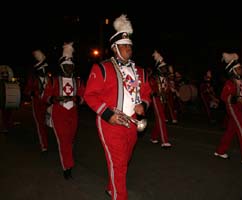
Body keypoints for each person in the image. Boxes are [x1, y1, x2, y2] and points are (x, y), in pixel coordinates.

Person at [84, 14, 152, 200]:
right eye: (124, 45)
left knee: (124, 160)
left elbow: (147, 93)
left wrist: (142, 105)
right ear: (115, 48)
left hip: (132, 123)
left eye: (130, 45)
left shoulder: (140, 71)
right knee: (119, 163)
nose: (129, 48)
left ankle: (111, 187)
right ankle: (119, 196)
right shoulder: (102, 68)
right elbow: (89, 95)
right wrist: (108, 115)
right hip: (110, 123)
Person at [42, 42, 85, 179]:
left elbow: (85, 97)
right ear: (62, 66)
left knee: (70, 139)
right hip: (58, 113)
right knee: (63, 140)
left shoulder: (78, 81)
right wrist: (54, 99)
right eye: (67, 66)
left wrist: (78, 99)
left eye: (71, 66)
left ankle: (68, 159)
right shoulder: (54, 80)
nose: (69, 68)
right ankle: (67, 167)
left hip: (73, 113)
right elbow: (45, 96)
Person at [214, 52, 242, 166]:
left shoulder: (240, 81)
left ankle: (220, 151)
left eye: (241, 68)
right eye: (239, 68)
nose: (241, 70)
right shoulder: (229, 82)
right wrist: (237, 99)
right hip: (232, 108)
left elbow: (240, 94)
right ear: (233, 71)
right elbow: (224, 97)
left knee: (231, 130)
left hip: (238, 107)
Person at [23, 49, 52, 153]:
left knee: (50, 123)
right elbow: (27, 90)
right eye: (43, 68)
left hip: (47, 103)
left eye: (45, 68)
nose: (45, 70)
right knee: (40, 124)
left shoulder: (49, 79)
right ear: (39, 68)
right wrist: (34, 93)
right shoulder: (33, 78)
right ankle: (44, 145)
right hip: (37, 103)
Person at [148, 61, 172, 148]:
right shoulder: (153, 78)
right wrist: (158, 94)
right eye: (163, 68)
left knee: (159, 119)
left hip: (163, 100)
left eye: (165, 68)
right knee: (161, 119)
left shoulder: (166, 78)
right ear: (159, 69)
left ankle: (154, 137)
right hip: (156, 99)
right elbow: (150, 91)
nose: (165, 69)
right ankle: (164, 141)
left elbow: (167, 89)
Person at [0, 65, 20, 133]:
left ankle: (8, 124)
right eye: (3, 73)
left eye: (6, 73)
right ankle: (5, 126)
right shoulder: (1, 82)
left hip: (9, 100)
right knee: (4, 114)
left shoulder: (10, 82)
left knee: (9, 113)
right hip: (3, 101)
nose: (5, 75)